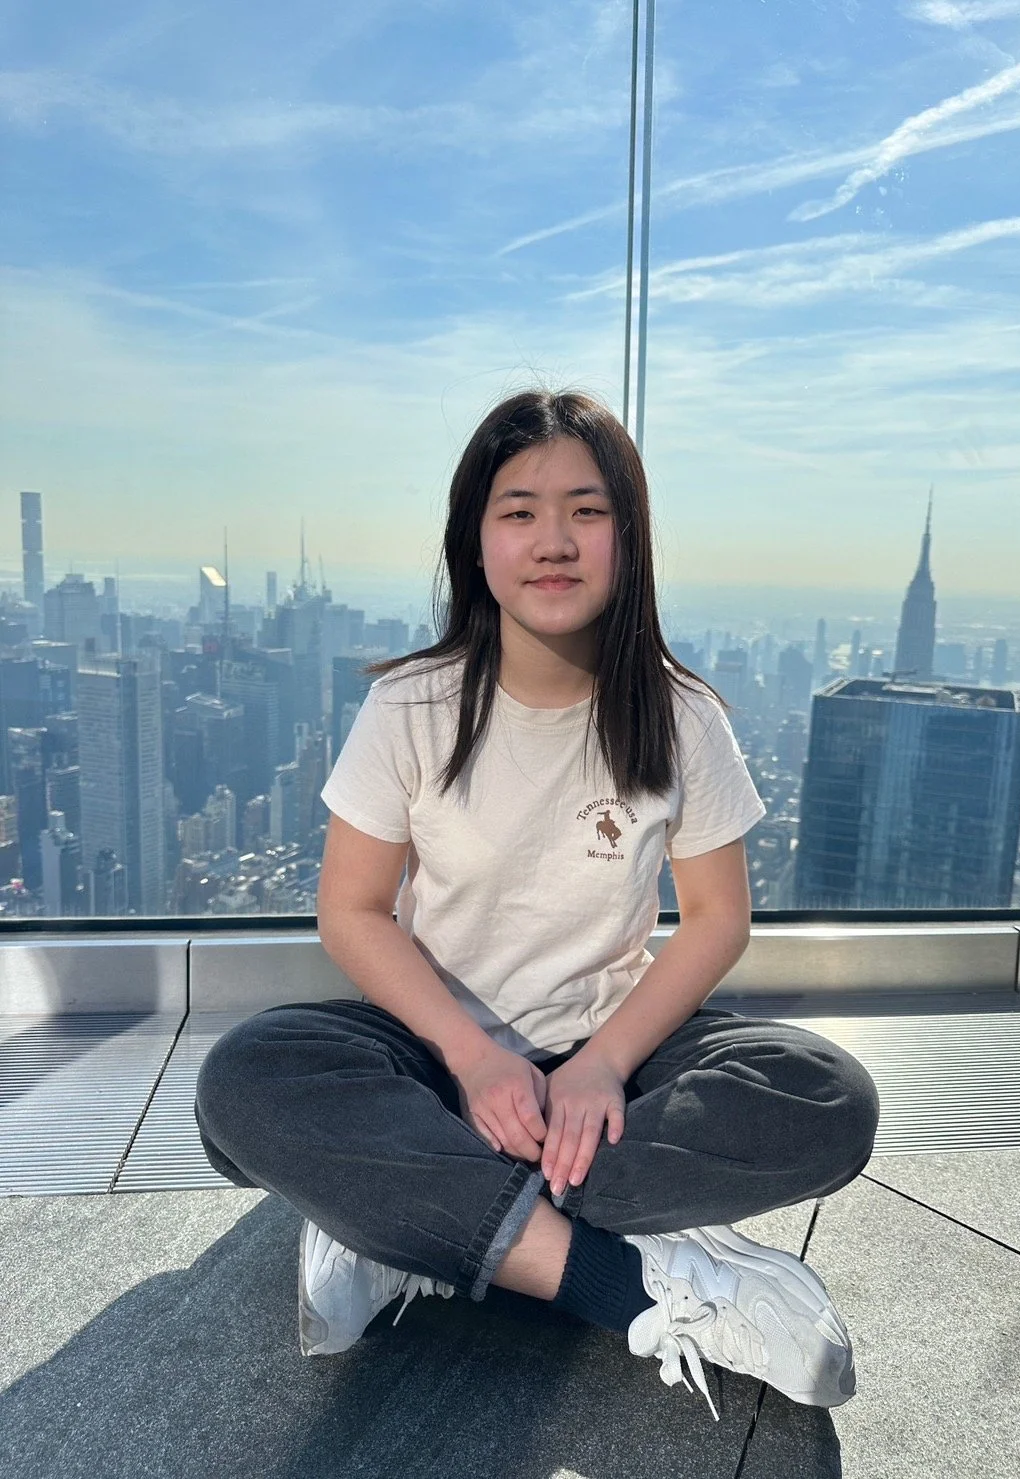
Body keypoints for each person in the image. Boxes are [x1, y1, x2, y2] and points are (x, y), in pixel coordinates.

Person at [194, 388, 880, 1422]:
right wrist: (472, 1062)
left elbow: (715, 919)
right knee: (246, 1078)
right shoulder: (411, 704)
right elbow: (352, 911)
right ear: (475, 541)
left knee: (827, 1097)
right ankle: (629, 1281)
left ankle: (407, 1215)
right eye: (517, 510)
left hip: (613, 1062)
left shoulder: (681, 716)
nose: (551, 540)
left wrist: (602, 1061)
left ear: (627, 536)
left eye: (585, 510)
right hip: (427, 1058)